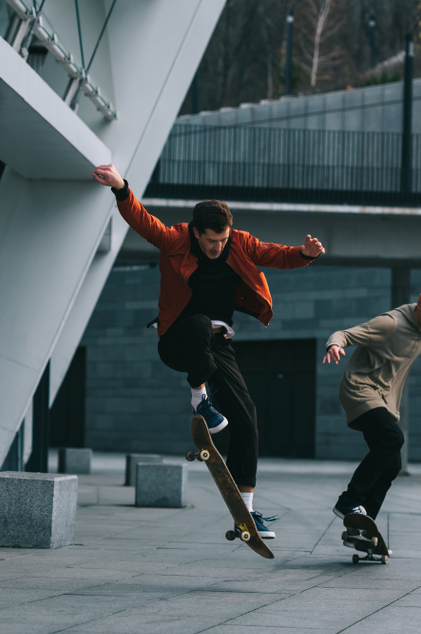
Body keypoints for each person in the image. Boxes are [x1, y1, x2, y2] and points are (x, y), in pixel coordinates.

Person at [92, 163, 325, 539]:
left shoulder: (241, 243)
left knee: (247, 418)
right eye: (211, 241)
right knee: (200, 322)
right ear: (196, 233)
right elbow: (142, 220)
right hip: (177, 343)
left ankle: (245, 512)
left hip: (218, 346)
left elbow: (276, 255)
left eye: (223, 240)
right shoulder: (176, 240)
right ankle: (199, 396)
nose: (218, 247)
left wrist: (305, 253)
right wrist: (121, 188)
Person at [323, 283, 421, 530]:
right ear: (419, 305)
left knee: (392, 465)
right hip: (359, 388)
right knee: (392, 438)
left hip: (383, 399)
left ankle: (363, 525)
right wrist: (334, 345)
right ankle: (348, 501)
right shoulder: (391, 323)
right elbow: (346, 334)